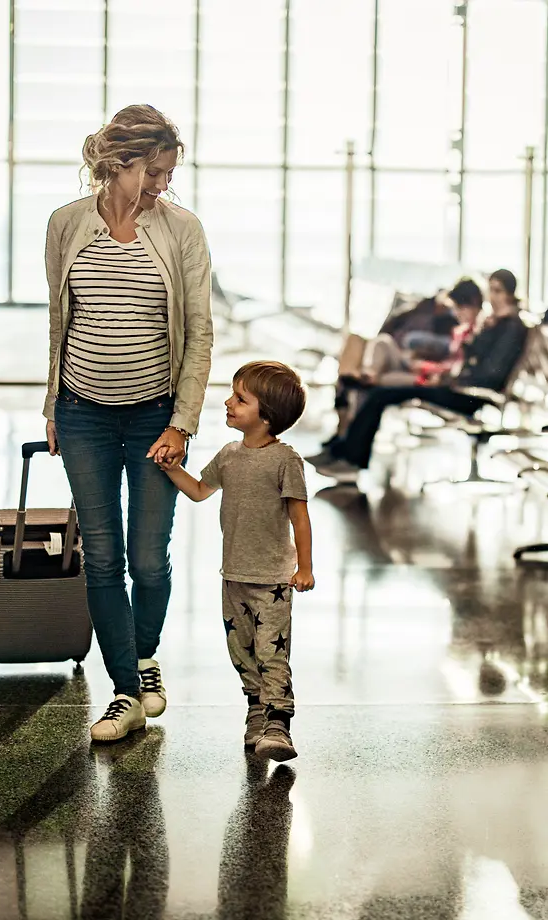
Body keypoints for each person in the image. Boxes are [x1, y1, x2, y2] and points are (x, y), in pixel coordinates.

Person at [44, 104, 213, 743]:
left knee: (148, 558)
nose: (164, 184)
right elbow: (59, 324)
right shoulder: (66, 225)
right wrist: (54, 407)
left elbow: (199, 333)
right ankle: (125, 690)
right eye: (155, 172)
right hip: (83, 413)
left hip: (154, 420)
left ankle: (145, 658)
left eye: (170, 173)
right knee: (104, 558)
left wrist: (183, 423)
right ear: (119, 164)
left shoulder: (181, 230)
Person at [156, 361, 313, 762]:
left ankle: (279, 722)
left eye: (240, 399)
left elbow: (299, 516)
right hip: (234, 577)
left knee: (271, 651)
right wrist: (174, 470)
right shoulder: (228, 456)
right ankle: (256, 709)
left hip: (274, 579)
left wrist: (305, 567)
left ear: (266, 416)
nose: (228, 402)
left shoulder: (285, 460)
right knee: (241, 650)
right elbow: (198, 490)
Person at [312, 269, 529, 482]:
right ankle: (343, 451)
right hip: (457, 386)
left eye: (498, 291)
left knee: (381, 394)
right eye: (490, 290)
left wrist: (448, 378)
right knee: (379, 392)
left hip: (467, 394)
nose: (492, 297)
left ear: (510, 294)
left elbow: (489, 375)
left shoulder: (512, 327)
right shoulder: (495, 323)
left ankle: (351, 460)